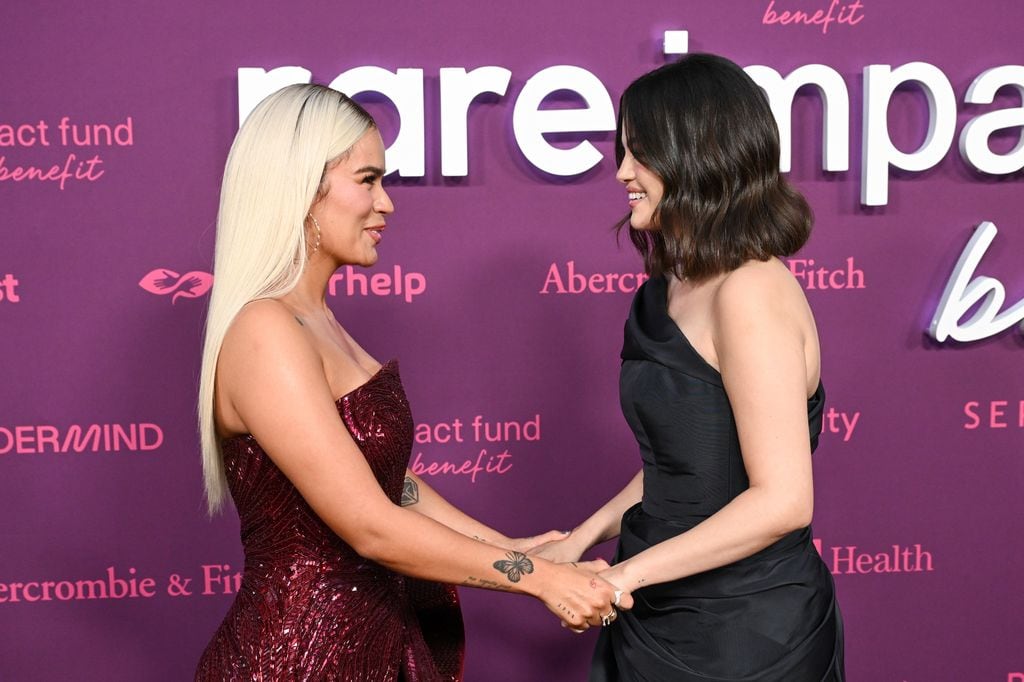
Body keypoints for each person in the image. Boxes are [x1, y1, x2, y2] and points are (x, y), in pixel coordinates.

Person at [193, 83, 631, 681]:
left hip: (374, 645)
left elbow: (394, 486)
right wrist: (540, 579)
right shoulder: (265, 330)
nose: (388, 204)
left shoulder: (316, 320)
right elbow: (370, 524)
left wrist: (516, 550)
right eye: (368, 180)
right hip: (297, 663)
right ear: (300, 188)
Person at [530, 54, 845, 681]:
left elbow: (782, 502)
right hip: (655, 601)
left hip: (745, 633)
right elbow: (683, 467)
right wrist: (581, 539)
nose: (621, 172)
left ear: (697, 155)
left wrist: (621, 578)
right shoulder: (662, 291)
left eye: (639, 153)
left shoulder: (751, 290)